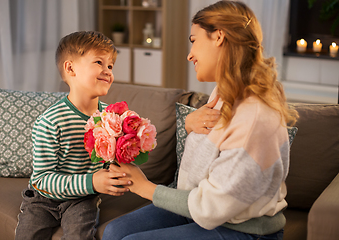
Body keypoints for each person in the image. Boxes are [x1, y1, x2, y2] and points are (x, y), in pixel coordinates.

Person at [102, 1, 299, 240]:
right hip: (198, 212)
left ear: (218, 37)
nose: (189, 55)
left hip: (240, 228)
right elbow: (209, 159)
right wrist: (189, 125)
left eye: (193, 40)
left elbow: (211, 206)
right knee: (113, 232)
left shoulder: (254, 118)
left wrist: (145, 188)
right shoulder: (224, 94)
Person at [15, 31, 131, 240]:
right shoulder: (50, 121)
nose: (108, 71)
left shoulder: (111, 119)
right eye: (99, 62)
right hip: (43, 198)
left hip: (82, 199)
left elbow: (109, 163)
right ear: (70, 68)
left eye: (110, 66)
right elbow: (42, 179)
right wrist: (92, 182)